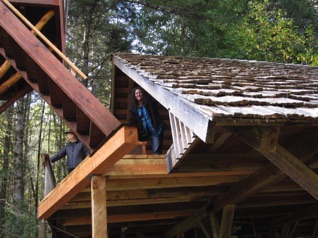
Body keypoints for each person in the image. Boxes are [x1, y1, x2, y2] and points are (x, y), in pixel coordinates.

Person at [128, 86, 165, 154]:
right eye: (136, 93)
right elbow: (132, 121)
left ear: (143, 93)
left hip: (155, 129)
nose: (138, 95)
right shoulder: (134, 108)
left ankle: (156, 164)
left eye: (140, 93)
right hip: (145, 132)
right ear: (134, 96)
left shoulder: (149, 102)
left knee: (156, 151)